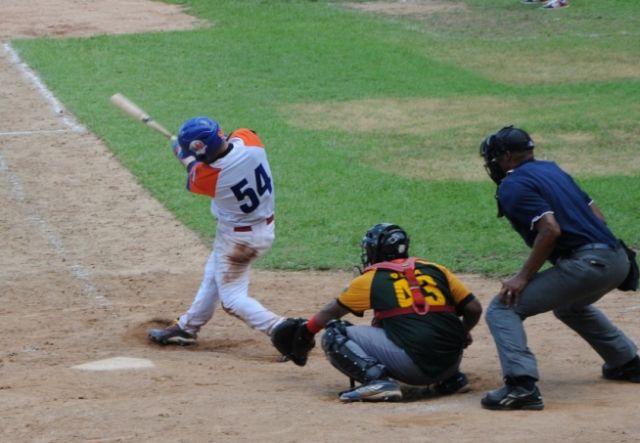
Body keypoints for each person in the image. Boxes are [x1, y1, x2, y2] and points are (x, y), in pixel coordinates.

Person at [478, 126, 640, 411]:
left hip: (590, 263)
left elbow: (550, 229)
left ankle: (521, 387)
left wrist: (522, 277)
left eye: (494, 157)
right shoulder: (552, 170)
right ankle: (627, 362)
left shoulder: (512, 185)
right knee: (571, 306)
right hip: (618, 259)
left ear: (506, 157)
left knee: (503, 308)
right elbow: (596, 214)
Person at [273, 223, 483, 402]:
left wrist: (307, 330)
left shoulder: (372, 278)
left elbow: (331, 311)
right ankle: (451, 380)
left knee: (335, 333)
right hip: (450, 363)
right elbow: (474, 308)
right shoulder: (435, 268)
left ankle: (378, 382)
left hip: (414, 369)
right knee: (421, 320)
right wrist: (463, 331)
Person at [148, 116, 283, 346]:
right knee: (213, 273)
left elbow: (193, 170)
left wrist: (181, 153)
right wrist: (191, 151)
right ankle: (187, 327)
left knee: (232, 299)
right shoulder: (251, 142)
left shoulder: (212, 177)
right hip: (257, 228)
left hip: (240, 241)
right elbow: (238, 134)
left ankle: (284, 330)